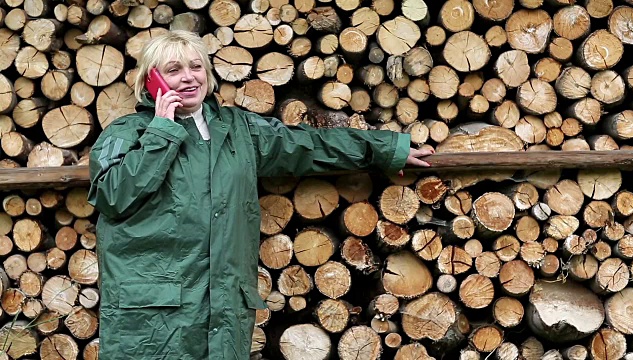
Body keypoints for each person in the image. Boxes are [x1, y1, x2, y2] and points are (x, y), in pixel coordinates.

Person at [87, 30, 433, 360]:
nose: (189, 77)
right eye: (173, 70)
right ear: (151, 80)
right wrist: (162, 131)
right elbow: (112, 196)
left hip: (223, 307)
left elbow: (310, 145)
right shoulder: (128, 132)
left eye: (196, 67)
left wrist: (386, 149)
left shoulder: (237, 128)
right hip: (152, 318)